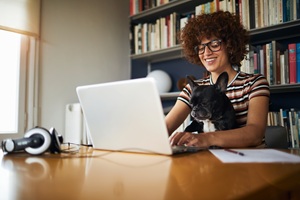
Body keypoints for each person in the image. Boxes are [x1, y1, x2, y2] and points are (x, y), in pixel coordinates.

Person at [166, 11, 270, 148]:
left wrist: (206, 138)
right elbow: (164, 128)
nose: (207, 53)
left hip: (248, 162)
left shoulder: (254, 83)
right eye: (201, 48)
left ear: (230, 46)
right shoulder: (193, 88)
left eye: (214, 44)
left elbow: (255, 134)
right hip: (209, 162)